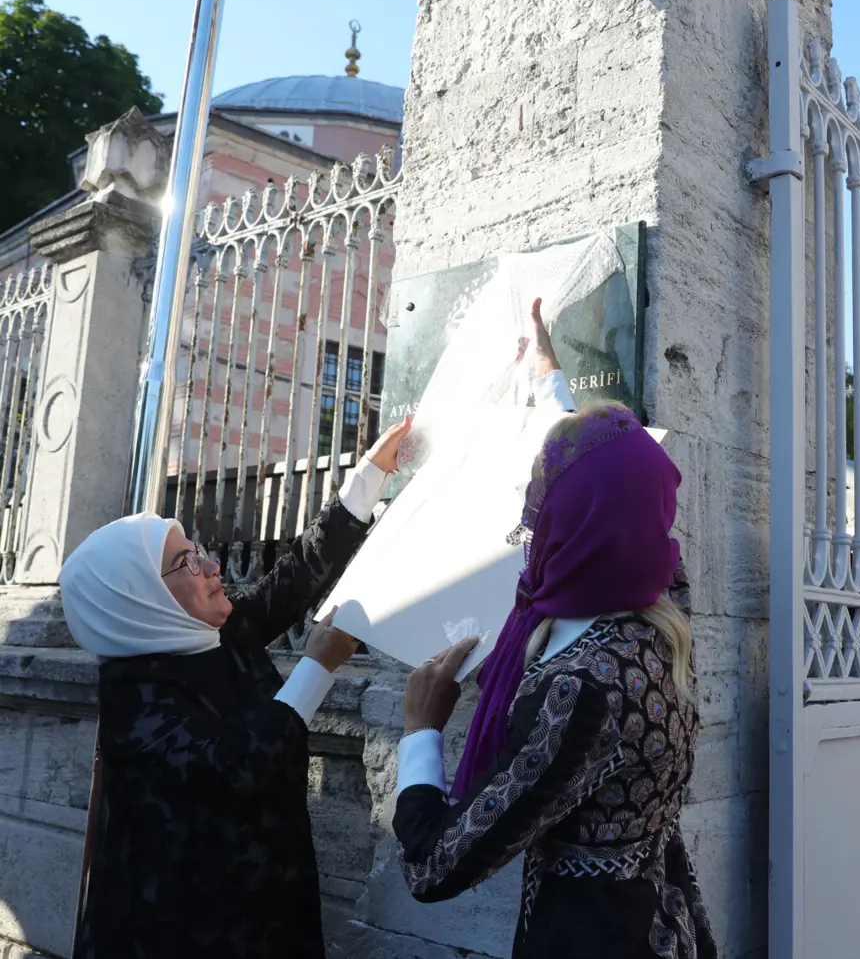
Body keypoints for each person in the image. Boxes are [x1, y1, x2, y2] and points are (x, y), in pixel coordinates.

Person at [393, 302, 717, 959]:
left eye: (539, 498)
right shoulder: (661, 597)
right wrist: (547, 377)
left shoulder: (580, 689)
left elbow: (434, 867)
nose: (530, 512)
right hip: (665, 917)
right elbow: (611, 482)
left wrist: (421, 730)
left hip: (595, 937)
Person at [58, 419, 409, 959]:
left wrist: (369, 475)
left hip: (268, 910)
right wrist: (315, 668)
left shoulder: (213, 634)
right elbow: (237, 768)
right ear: (137, 597)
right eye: (185, 562)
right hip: (184, 932)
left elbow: (294, 580)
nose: (211, 565)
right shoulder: (135, 695)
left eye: (197, 549)